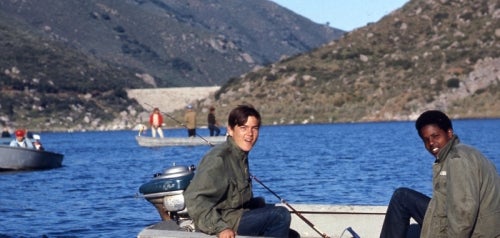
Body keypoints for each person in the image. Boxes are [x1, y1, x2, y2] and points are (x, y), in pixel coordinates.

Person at [380, 110, 500, 238]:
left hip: (479, 233)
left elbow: (464, 214)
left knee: (401, 197)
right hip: (465, 223)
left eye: (436, 136)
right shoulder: (461, 153)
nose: (431, 143)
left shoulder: (457, 159)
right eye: (426, 140)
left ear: (449, 133)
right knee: (403, 198)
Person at [184, 104, 292, 238]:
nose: (250, 134)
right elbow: (194, 198)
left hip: (237, 215)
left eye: (255, 128)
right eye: (243, 128)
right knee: (280, 215)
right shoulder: (218, 159)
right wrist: (220, 228)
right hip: (224, 220)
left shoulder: (240, 155)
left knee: (292, 234)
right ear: (230, 130)